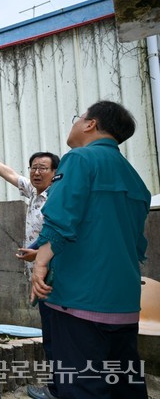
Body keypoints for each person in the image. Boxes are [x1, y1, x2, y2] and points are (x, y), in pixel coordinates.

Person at [31, 101, 150, 399]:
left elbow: (61, 218)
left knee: (82, 386)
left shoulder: (80, 159)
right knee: (124, 386)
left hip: (79, 301)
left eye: (78, 118)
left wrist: (41, 262)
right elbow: (132, 243)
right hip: (123, 304)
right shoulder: (135, 178)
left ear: (90, 124)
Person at [0, 145, 60, 399]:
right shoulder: (34, 192)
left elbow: (61, 234)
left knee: (59, 335)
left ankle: (61, 389)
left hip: (55, 276)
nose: (36, 173)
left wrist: (39, 254)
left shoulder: (58, 198)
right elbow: (10, 174)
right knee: (51, 334)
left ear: (56, 172)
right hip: (38, 275)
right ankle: (58, 387)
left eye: (43, 168)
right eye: (33, 168)